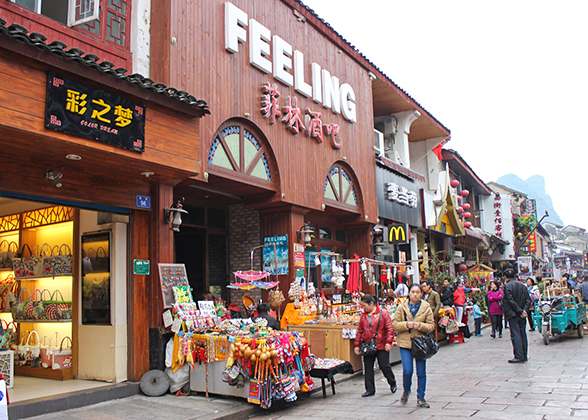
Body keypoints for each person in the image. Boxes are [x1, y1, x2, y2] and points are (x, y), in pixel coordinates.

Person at [393, 284, 435, 409]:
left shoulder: (426, 307)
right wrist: (407, 324)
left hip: (420, 343)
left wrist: (420, 326)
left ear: (421, 294)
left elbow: (431, 326)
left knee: (421, 372)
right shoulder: (402, 307)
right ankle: (406, 390)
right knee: (408, 370)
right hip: (405, 343)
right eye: (413, 292)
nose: (415, 294)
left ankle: (421, 397)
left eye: (418, 292)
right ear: (409, 293)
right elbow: (395, 324)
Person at [353, 295, 397, 397]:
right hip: (368, 344)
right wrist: (357, 344)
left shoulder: (383, 313)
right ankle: (370, 389)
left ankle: (392, 382)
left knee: (384, 366)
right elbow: (360, 331)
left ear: (371, 304)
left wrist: (388, 342)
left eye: (364, 305)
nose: (363, 308)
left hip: (381, 344)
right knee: (368, 367)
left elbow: (389, 329)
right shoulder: (363, 316)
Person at [503, 268, 531, 363]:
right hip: (521, 314)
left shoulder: (507, 286)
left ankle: (519, 355)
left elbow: (510, 301)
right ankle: (524, 354)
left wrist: (520, 311)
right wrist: (524, 310)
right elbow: (528, 299)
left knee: (516, 334)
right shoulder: (523, 286)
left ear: (506, 277)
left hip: (513, 314)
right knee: (522, 334)